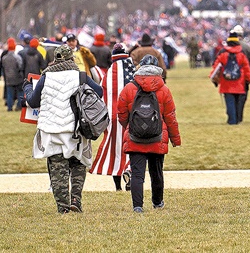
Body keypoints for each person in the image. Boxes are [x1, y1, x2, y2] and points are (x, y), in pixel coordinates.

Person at [25, 45, 103, 213]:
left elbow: (33, 102)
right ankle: (76, 199)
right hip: (76, 130)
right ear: (71, 58)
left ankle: (63, 207)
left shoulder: (46, 77)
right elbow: (99, 92)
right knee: (78, 164)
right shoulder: (80, 76)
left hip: (51, 129)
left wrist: (27, 88)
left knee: (57, 167)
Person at [115, 56, 181, 212]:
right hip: (158, 137)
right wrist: (175, 139)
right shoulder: (163, 89)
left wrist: (131, 126)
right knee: (156, 172)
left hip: (135, 137)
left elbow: (121, 113)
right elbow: (170, 117)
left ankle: (137, 206)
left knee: (137, 175)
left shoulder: (129, 88)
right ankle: (157, 202)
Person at [91, 44, 136, 191]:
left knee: (114, 150)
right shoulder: (133, 72)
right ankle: (129, 170)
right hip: (132, 116)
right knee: (132, 147)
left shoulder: (108, 75)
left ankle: (117, 186)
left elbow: (101, 95)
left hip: (112, 116)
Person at [211, 32, 250, 125]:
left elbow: (216, 67)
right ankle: (238, 119)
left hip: (226, 82)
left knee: (229, 102)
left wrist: (213, 78)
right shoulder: (241, 54)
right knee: (238, 102)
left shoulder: (223, 53)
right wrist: (248, 79)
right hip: (239, 82)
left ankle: (232, 120)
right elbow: (247, 68)